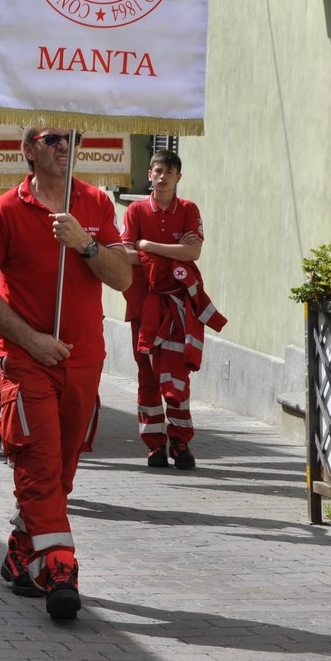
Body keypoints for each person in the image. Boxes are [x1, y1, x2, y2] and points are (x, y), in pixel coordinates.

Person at [0, 128, 132, 621]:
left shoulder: (97, 204)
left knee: (59, 473)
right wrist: (31, 339)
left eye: (71, 138)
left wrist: (86, 244)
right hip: (24, 361)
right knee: (39, 461)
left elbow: (123, 278)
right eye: (51, 137)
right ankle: (60, 567)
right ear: (28, 150)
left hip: (83, 361)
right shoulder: (4, 211)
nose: (64, 146)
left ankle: (22, 548)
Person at [122, 149, 226, 471]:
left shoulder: (188, 209)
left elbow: (193, 251)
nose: (162, 176)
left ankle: (180, 442)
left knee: (178, 373)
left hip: (181, 310)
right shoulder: (136, 211)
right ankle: (154, 446)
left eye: (169, 171)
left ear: (178, 177)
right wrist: (174, 253)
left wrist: (149, 247)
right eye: (157, 170)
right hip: (144, 306)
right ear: (149, 175)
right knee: (147, 376)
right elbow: (125, 253)